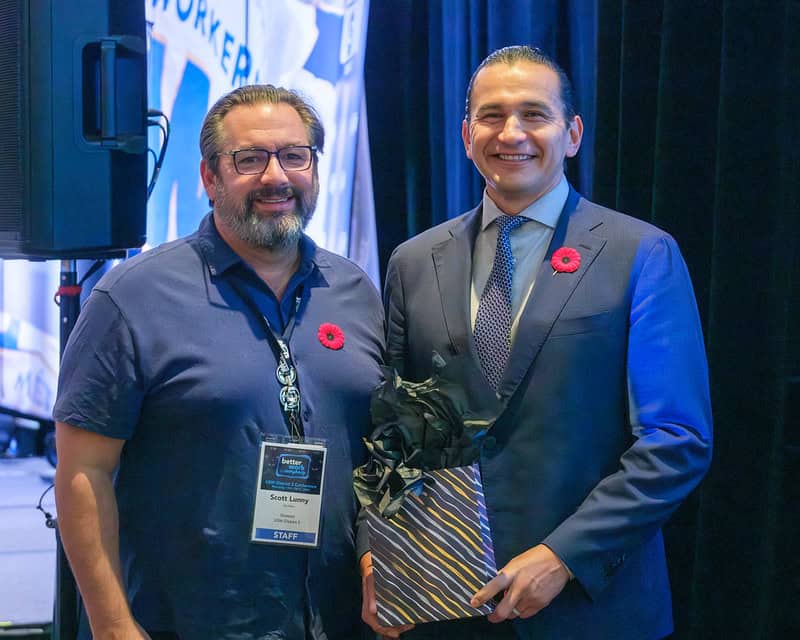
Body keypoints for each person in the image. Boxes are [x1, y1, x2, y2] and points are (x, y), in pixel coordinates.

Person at [361, 46, 713, 640]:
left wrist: (564, 556)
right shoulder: (414, 262)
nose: (512, 133)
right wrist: (379, 555)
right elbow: (395, 431)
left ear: (572, 134)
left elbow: (677, 440)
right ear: (467, 134)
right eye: (492, 116)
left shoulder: (641, 254)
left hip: (591, 609)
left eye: (534, 114)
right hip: (444, 604)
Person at [54, 85, 384, 640]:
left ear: (315, 170)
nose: (276, 177)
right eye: (250, 159)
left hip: (336, 619)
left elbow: (382, 451)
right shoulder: (133, 298)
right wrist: (112, 626)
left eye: (294, 156)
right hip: (192, 620)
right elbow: (83, 472)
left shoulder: (355, 290)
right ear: (210, 178)